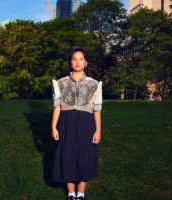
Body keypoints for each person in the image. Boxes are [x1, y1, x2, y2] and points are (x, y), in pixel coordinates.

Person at [51, 48, 102, 200]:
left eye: (81, 59)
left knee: (84, 157)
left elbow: (97, 110)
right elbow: (57, 107)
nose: (78, 62)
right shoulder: (60, 83)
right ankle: (71, 194)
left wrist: (98, 131)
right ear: (70, 62)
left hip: (87, 125)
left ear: (86, 63)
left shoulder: (94, 84)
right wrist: (54, 126)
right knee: (67, 156)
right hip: (66, 124)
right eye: (74, 59)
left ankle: (81, 194)